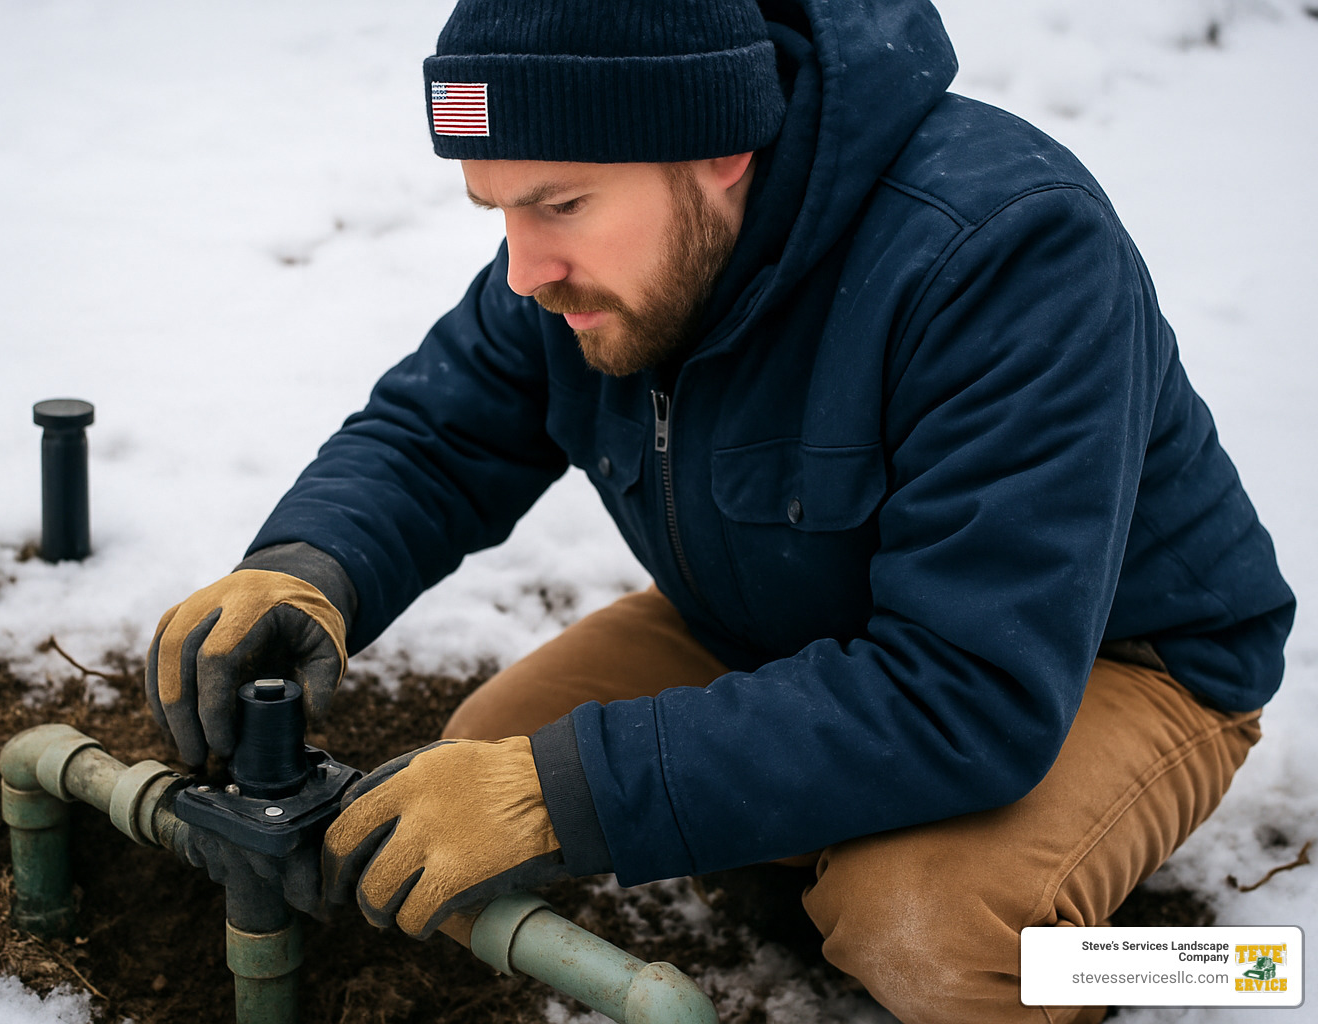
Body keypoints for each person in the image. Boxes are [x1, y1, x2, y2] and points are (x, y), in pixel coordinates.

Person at [143, 1, 1296, 1021]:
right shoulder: (592, 261)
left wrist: (575, 794)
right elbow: (439, 432)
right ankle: (816, 831)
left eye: (559, 204)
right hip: (780, 616)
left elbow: (973, 687)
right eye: (497, 207)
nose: (524, 268)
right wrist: (309, 565)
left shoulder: (1005, 254)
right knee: (468, 778)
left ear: (720, 150)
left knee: (928, 932)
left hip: (1102, 661)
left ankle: (1210, 974)